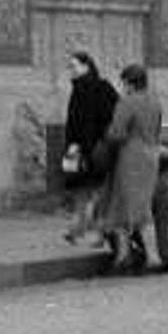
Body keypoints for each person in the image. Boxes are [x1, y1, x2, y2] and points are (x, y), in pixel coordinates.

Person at [100, 62, 167, 272]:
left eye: (123, 82)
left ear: (129, 83)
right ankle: (123, 256)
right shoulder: (155, 102)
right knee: (126, 204)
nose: (122, 86)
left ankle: (150, 258)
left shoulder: (127, 103)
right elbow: (156, 131)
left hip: (130, 157)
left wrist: (105, 137)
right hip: (150, 155)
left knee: (134, 207)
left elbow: (117, 132)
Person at [56, 51, 116, 245]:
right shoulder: (83, 88)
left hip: (95, 150)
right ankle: (79, 229)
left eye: (74, 66)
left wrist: (82, 143)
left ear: (86, 66)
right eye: (70, 67)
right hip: (86, 150)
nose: (71, 71)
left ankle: (92, 231)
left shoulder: (98, 87)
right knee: (85, 191)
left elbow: (113, 117)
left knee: (94, 192)